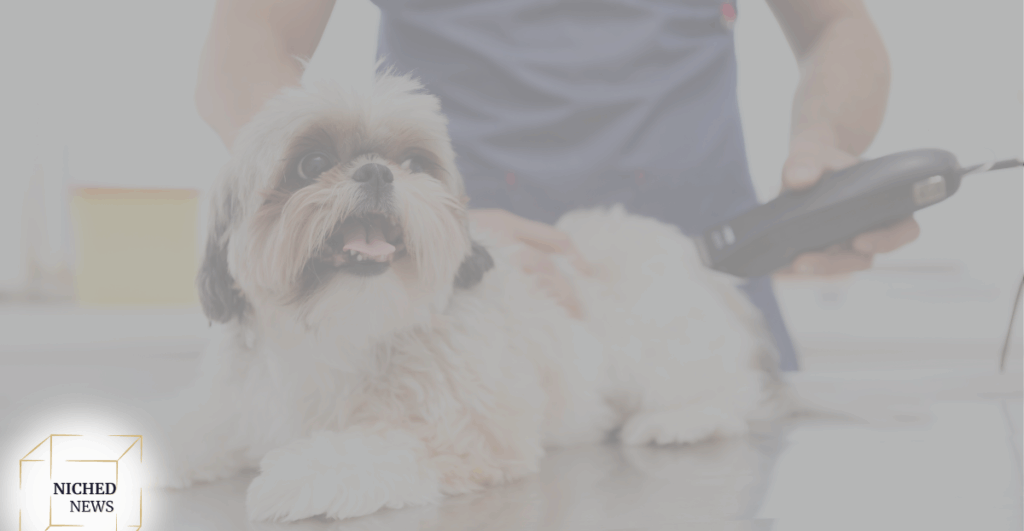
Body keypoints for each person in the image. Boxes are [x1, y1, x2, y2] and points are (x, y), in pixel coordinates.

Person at [195, 0, 919, 371]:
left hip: (707, 328)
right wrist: (423, 229)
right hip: (461, 330)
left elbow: (836, 23)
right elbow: (252, 34)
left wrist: (826, 151)